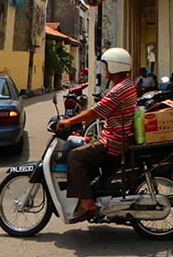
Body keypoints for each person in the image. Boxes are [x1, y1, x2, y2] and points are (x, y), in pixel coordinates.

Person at [57, 48, 137, 224]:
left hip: (113, 142)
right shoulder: (126, 85)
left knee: (75, 156)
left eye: (106, 66)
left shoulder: (119, 89)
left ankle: (87, 204)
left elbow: (95, 112)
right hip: (117, 137)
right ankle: (92, 192)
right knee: (83, 150)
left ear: (115, 66)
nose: (105, 70)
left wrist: (69, 122)